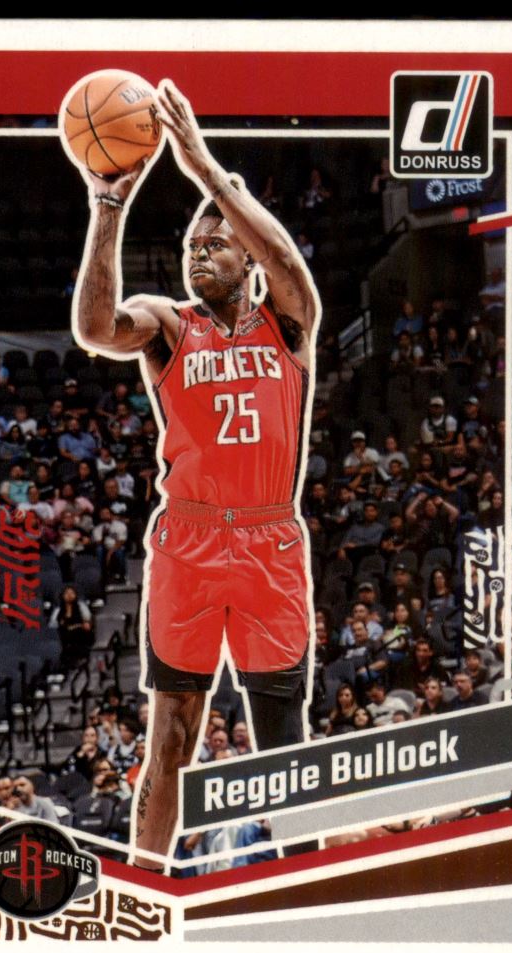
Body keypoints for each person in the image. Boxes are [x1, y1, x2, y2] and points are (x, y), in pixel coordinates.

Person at [73, 80, 319, 870]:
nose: (199, 254)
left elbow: (285, 257)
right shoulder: (168, 325)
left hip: (269, 541)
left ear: (246, 258)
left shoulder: (289, 322)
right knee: (172, 731)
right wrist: (108, 204)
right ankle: (144, 887)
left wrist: (205, 169)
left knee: (281, 737)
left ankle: (303, 888)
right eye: (191, 247)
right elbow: (94, 328)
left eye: (215, 244)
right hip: (189, 541)